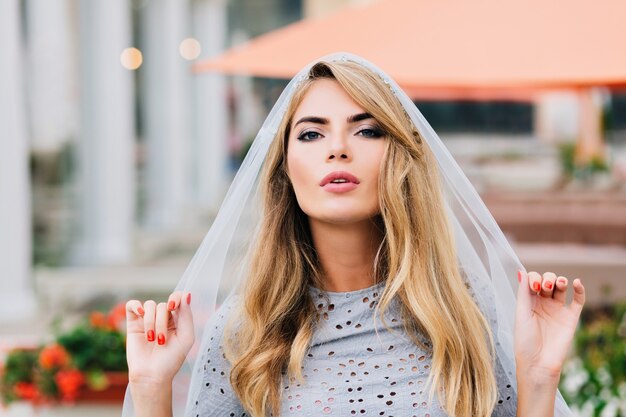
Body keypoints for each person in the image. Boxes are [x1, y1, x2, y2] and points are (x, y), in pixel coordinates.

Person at [124, 53, 586, 417]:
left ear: (400, 160)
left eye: (366, 130)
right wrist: (149, 389)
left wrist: (539, 376)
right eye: (311, 135)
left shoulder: (461, 310)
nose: (338, 149)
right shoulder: (248, 329)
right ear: (285, 169)